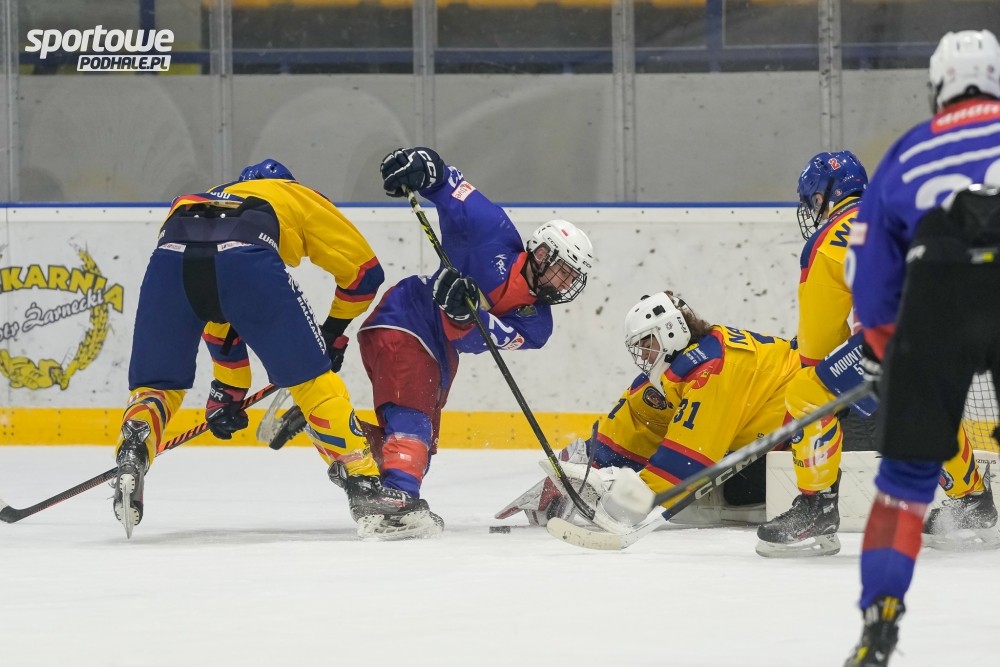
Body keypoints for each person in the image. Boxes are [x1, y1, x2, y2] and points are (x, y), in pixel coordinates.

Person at [112, 158, 422, 540]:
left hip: (169, 258)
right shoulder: (295, 194)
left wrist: (226, 394)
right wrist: (332, 332)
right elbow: (363, 274)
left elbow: (216, 313)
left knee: (159, 383)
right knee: (312, 382)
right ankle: (366, 489)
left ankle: (133, 448)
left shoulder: (203, 198)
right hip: (246, 256)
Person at [843, 29, 1000, 667]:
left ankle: (878, 624)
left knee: (904, 485)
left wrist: (886, 349)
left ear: (938, 87)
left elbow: (868, 275)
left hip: (938, 293)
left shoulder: (909, 150)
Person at [355, 146, 595, 521]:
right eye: (562, 271)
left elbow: (474, 339)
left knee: (419, 438)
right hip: (407, 317)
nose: (564, 284)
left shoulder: (536, 324)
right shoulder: (491, 228)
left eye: (571, 278)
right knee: (412, 419)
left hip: (438, 349)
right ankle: (399, 500)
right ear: (541, 254)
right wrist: (423, 165)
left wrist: (466, 313)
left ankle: (337, 430)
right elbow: (446, 184)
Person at [549, 291, 801, 535]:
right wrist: (589, 463)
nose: (644, 355)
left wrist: (632, 502)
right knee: (722, 488)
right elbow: (637, 421)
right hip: (771, 433)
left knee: (739, 491)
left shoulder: (714, 370)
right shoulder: (684, 364)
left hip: (809, 430)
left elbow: (690, 455)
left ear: (671, 331)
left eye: (647, 343)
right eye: (639, 347)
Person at [755, 150, 876, 557]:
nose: (812, 209)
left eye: (813, 200)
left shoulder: (827, 241)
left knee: (807, 391)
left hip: (887, 340)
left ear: (826, 195)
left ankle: (816, 511)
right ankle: (973, 503)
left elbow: (817, 348)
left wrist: (824, 389)